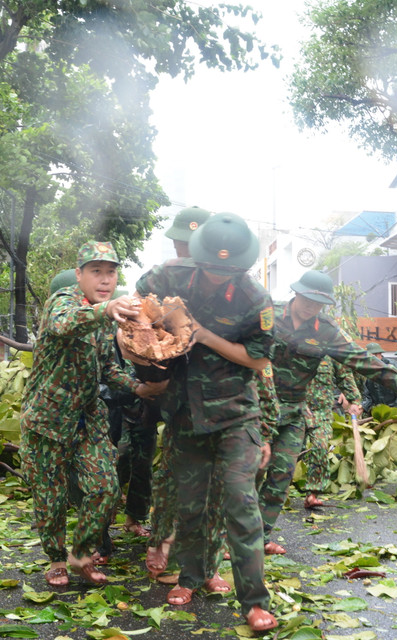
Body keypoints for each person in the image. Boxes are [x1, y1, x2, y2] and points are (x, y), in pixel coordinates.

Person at [135, 212, 277, 632]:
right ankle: (191, 578)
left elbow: (260, 357)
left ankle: (253, 600)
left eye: (227, 270)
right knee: (191, 506)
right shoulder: (168, 277)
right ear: (197, 258)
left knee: (240, 502)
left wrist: (205, 335)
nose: (217, 276)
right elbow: (136, 304)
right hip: (184, 412)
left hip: (236, 414)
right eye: (211, 268)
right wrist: (146, 333)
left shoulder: (254, 299)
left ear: (243, 266)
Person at [20, 241, 166, 588]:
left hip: (88, 419)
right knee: (51, 497)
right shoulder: (64, 302)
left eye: (111, 272)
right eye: (96, 271)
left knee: (105, 488)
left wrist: (138, 388)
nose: (105, 280)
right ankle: (56, 560)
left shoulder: (104, 315)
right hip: (47, 420)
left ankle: (82, 553)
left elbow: (106, 369)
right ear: (79, 274)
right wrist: (107, 310)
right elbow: (64, 324)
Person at [259, 270, 397, 545]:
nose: (312, 306)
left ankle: (259, 536)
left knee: (281, 475)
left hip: (293, 411)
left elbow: (362, 360)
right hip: (258, 407)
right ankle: (229, 542)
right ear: (297, 293)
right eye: (308, 299)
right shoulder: (268, 314)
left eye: (319, 302)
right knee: (248, 474)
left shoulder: (326, 330)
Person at [298, 357, 362, 509]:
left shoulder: (330, 351)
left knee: (320, 449)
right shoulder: (294, 345)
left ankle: (312, 494)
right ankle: (272, 495)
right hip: (296, 410)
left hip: (322, 412)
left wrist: (354, 401)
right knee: (289, 455)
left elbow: (344, 376)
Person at [360, 343, 397, 412]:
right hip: (379, 410)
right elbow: (367, 395)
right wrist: (362, 407)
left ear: (379, 354)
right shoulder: (368, 370)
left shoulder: (392, 366)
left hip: (395, 409)